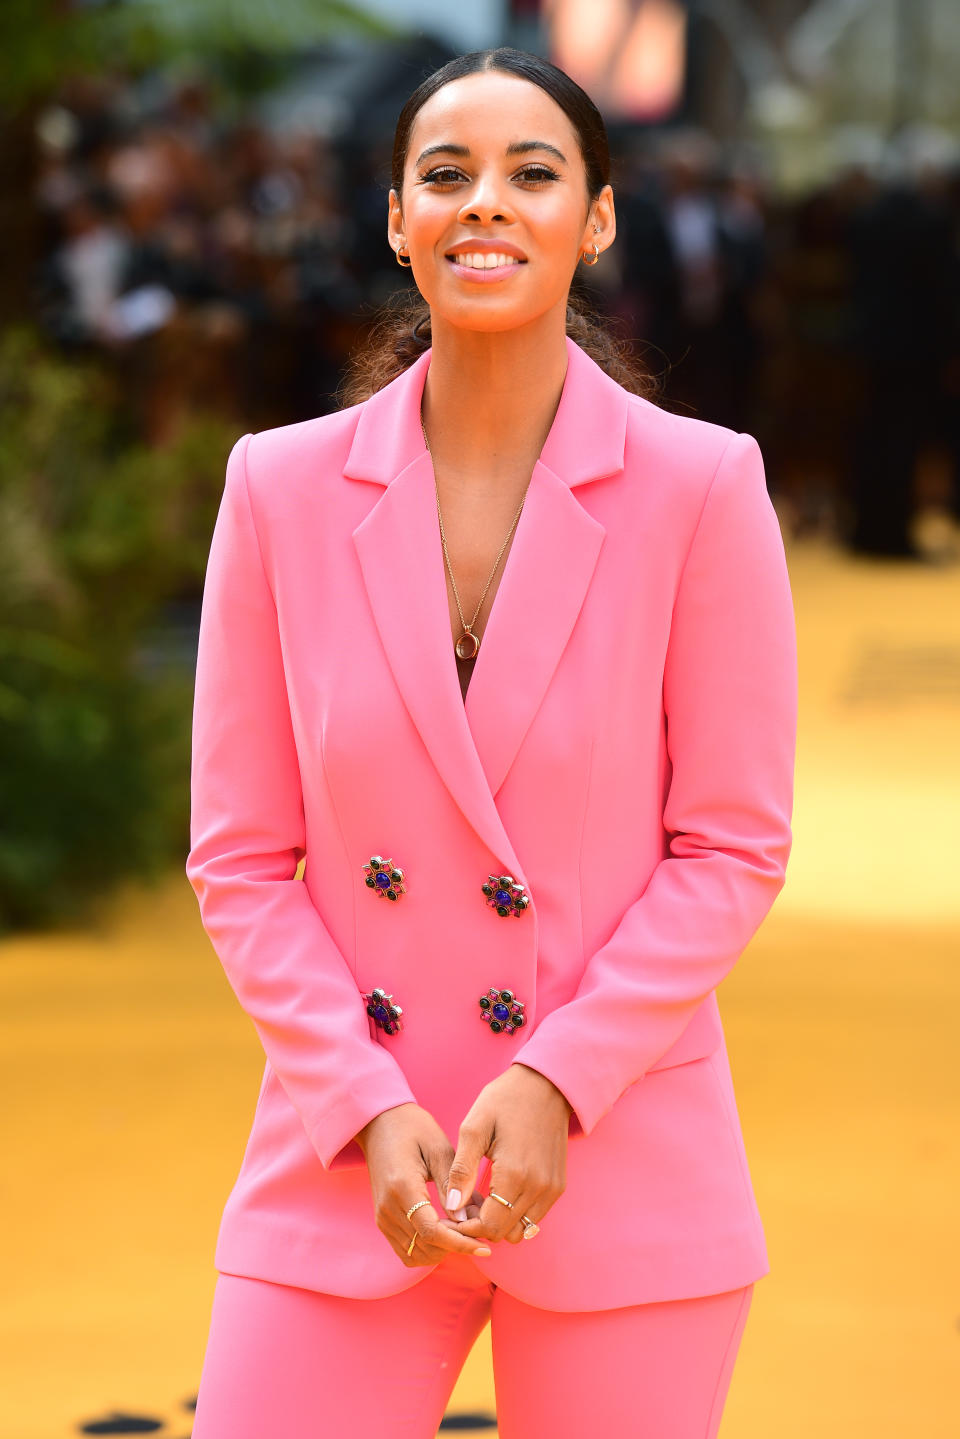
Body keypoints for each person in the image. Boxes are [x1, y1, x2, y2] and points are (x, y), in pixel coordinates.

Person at [185, 47, 797, 1439]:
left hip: (623, 1148)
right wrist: (356, 1097)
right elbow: (240, 858)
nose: (486, 206)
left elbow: (731, 847)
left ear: (596, 219)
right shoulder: (276, 490)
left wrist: (558, 1077)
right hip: (348, 1152)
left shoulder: (703, 487)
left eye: (533, 174)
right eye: (446, 175)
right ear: (396, 217)